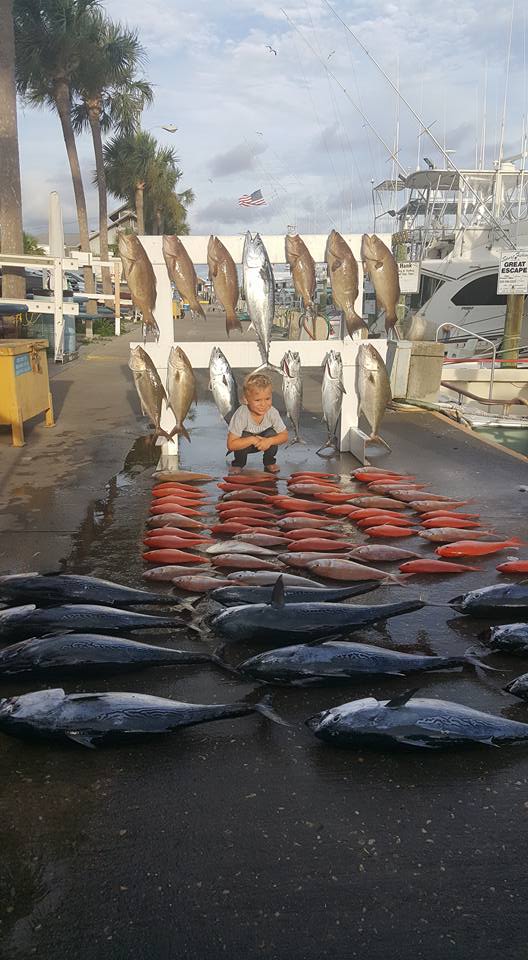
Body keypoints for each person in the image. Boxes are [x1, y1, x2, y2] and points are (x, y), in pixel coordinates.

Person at [227, 372, 288, 473]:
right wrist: (252, 439)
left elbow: (284, 436)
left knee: (272, 434)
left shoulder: (272, 412)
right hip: (247, 444)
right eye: (257, 400)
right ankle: (238, 463)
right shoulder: (241, 414)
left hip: (265, 442)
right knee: (242, 436)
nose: (263, 404)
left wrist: (269, 441)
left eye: (267, 399)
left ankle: (269, 461)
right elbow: (231, 445)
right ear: (246, 400)